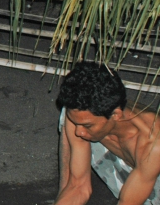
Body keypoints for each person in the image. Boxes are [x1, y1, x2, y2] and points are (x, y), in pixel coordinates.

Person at [56, 62, 160, 204]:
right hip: (136, 167)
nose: (79, 132)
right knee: (68, 114)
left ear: (116, 115)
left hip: (152, 172)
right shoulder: (81, 116)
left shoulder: (153, 141)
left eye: (87, 125)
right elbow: (79, 187)